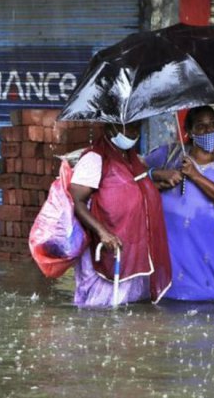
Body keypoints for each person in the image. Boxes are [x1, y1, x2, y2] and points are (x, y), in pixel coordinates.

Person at [69, 121, 171, 307]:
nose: (133, 132)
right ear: (110, 128)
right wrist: (103, 232)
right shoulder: (94, 159)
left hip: (131, 248)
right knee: (100, 308)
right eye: (127, 128)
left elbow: (131, 188)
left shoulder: (132, 160)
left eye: (135, 127)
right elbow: (78, 202)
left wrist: (154, 188)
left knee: (129, 310)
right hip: (107, 244)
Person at [145, 106, 214, 301]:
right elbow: (135, 174)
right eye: (201, 126)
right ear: (189, 130)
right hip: (170, 243)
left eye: (213, 125)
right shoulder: (169, 154)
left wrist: (195, 175)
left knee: (212, 298)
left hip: (205, 243)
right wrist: (157, 176)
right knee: (166, 299)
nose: (208, 131)